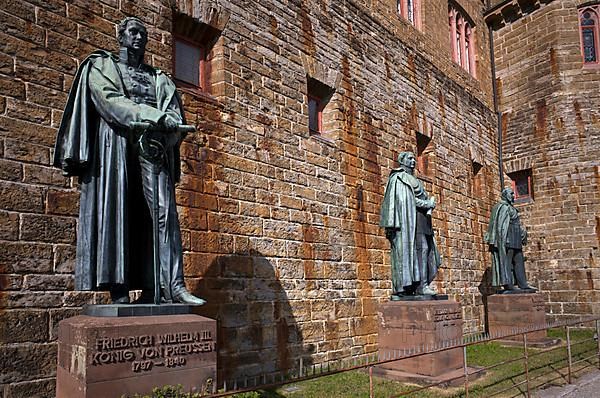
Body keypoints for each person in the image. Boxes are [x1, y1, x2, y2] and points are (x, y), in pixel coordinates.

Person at [54, 17, 205, 305]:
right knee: (119, 211)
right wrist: (152, 116)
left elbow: (174, 114)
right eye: (133, 33)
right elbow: (110, 102)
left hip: (153, 148)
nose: (139, 38)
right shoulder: (101, 66)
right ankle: (119, 289)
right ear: (120, 35)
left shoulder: (159, 78)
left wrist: (170, 128)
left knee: (164, 215)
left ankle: (168, 286)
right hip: (117, 148)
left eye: (143, 34)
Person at [380, 151, 441, 299]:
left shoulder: (415, 180)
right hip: (407, 221)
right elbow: (406, 200)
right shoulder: (399, 178)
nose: (413, 161)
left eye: (414, 158)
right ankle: (410, 286)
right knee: (411, 251)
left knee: (424, 250)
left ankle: (422, 286)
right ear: (402, 161)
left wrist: (428, 204)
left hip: (421, 221)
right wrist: (427, 203)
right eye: (410, 158)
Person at [485, 187, 536, 293]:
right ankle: (509, 284)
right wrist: (501, 240)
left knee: (519, 260)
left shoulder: (511, 207)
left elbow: (516, 223)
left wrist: (522, 233)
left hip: (515, 238)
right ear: (505, 195)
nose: (513, 196)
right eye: (511, 194)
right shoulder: (503, 207)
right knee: (507, 262)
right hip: (507, 239)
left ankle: (523, 284)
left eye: (513, 194)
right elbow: (500, 226)